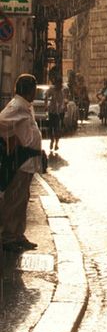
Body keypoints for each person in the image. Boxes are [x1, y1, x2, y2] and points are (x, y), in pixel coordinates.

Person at [0, 74, 44, 252]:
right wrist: (11, 138)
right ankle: (8, 236)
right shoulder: (16, 105)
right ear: (27, 89)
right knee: (14, 198)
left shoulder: (25, 105)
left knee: (22, 199)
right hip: (22, 159)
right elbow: (1, 121)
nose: (35, 92)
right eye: (33, 89)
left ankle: (17, 233)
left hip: (29, 160)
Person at [45, 76, 66, 151]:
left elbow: (63, 101)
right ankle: (51, 140)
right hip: (51, 111)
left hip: (59, 113)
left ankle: (56, 143)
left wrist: (64, 107)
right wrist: (46, 105)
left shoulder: (62, 92)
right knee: (51, 128)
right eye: (58, 84)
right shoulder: (52, 90)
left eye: (60, 84)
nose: (59, 85)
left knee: (58, 129)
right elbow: (46, 96)